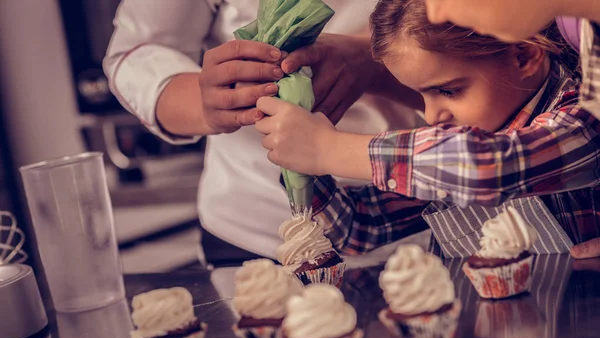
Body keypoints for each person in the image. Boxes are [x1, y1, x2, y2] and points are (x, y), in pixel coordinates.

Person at [254, 0, 600, 258]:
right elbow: (358, 227)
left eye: (448, 90)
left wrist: (326, 149)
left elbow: (486, 168)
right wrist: (298, 157)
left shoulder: (580, 123)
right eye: (420, 94)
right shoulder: (441, 163)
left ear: (523, 55)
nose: (432, 116)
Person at [103, 0, 423, 267]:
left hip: (435, 220)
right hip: (256, 234)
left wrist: (379, 55)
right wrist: (208, 102)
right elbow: (139, 50)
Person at [422, 0, 600, 260]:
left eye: (449, 90)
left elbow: (493, 167)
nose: (435, 11)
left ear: (525, 55)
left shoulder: (573, 114)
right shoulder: (573, 22)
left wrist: (351, 153)